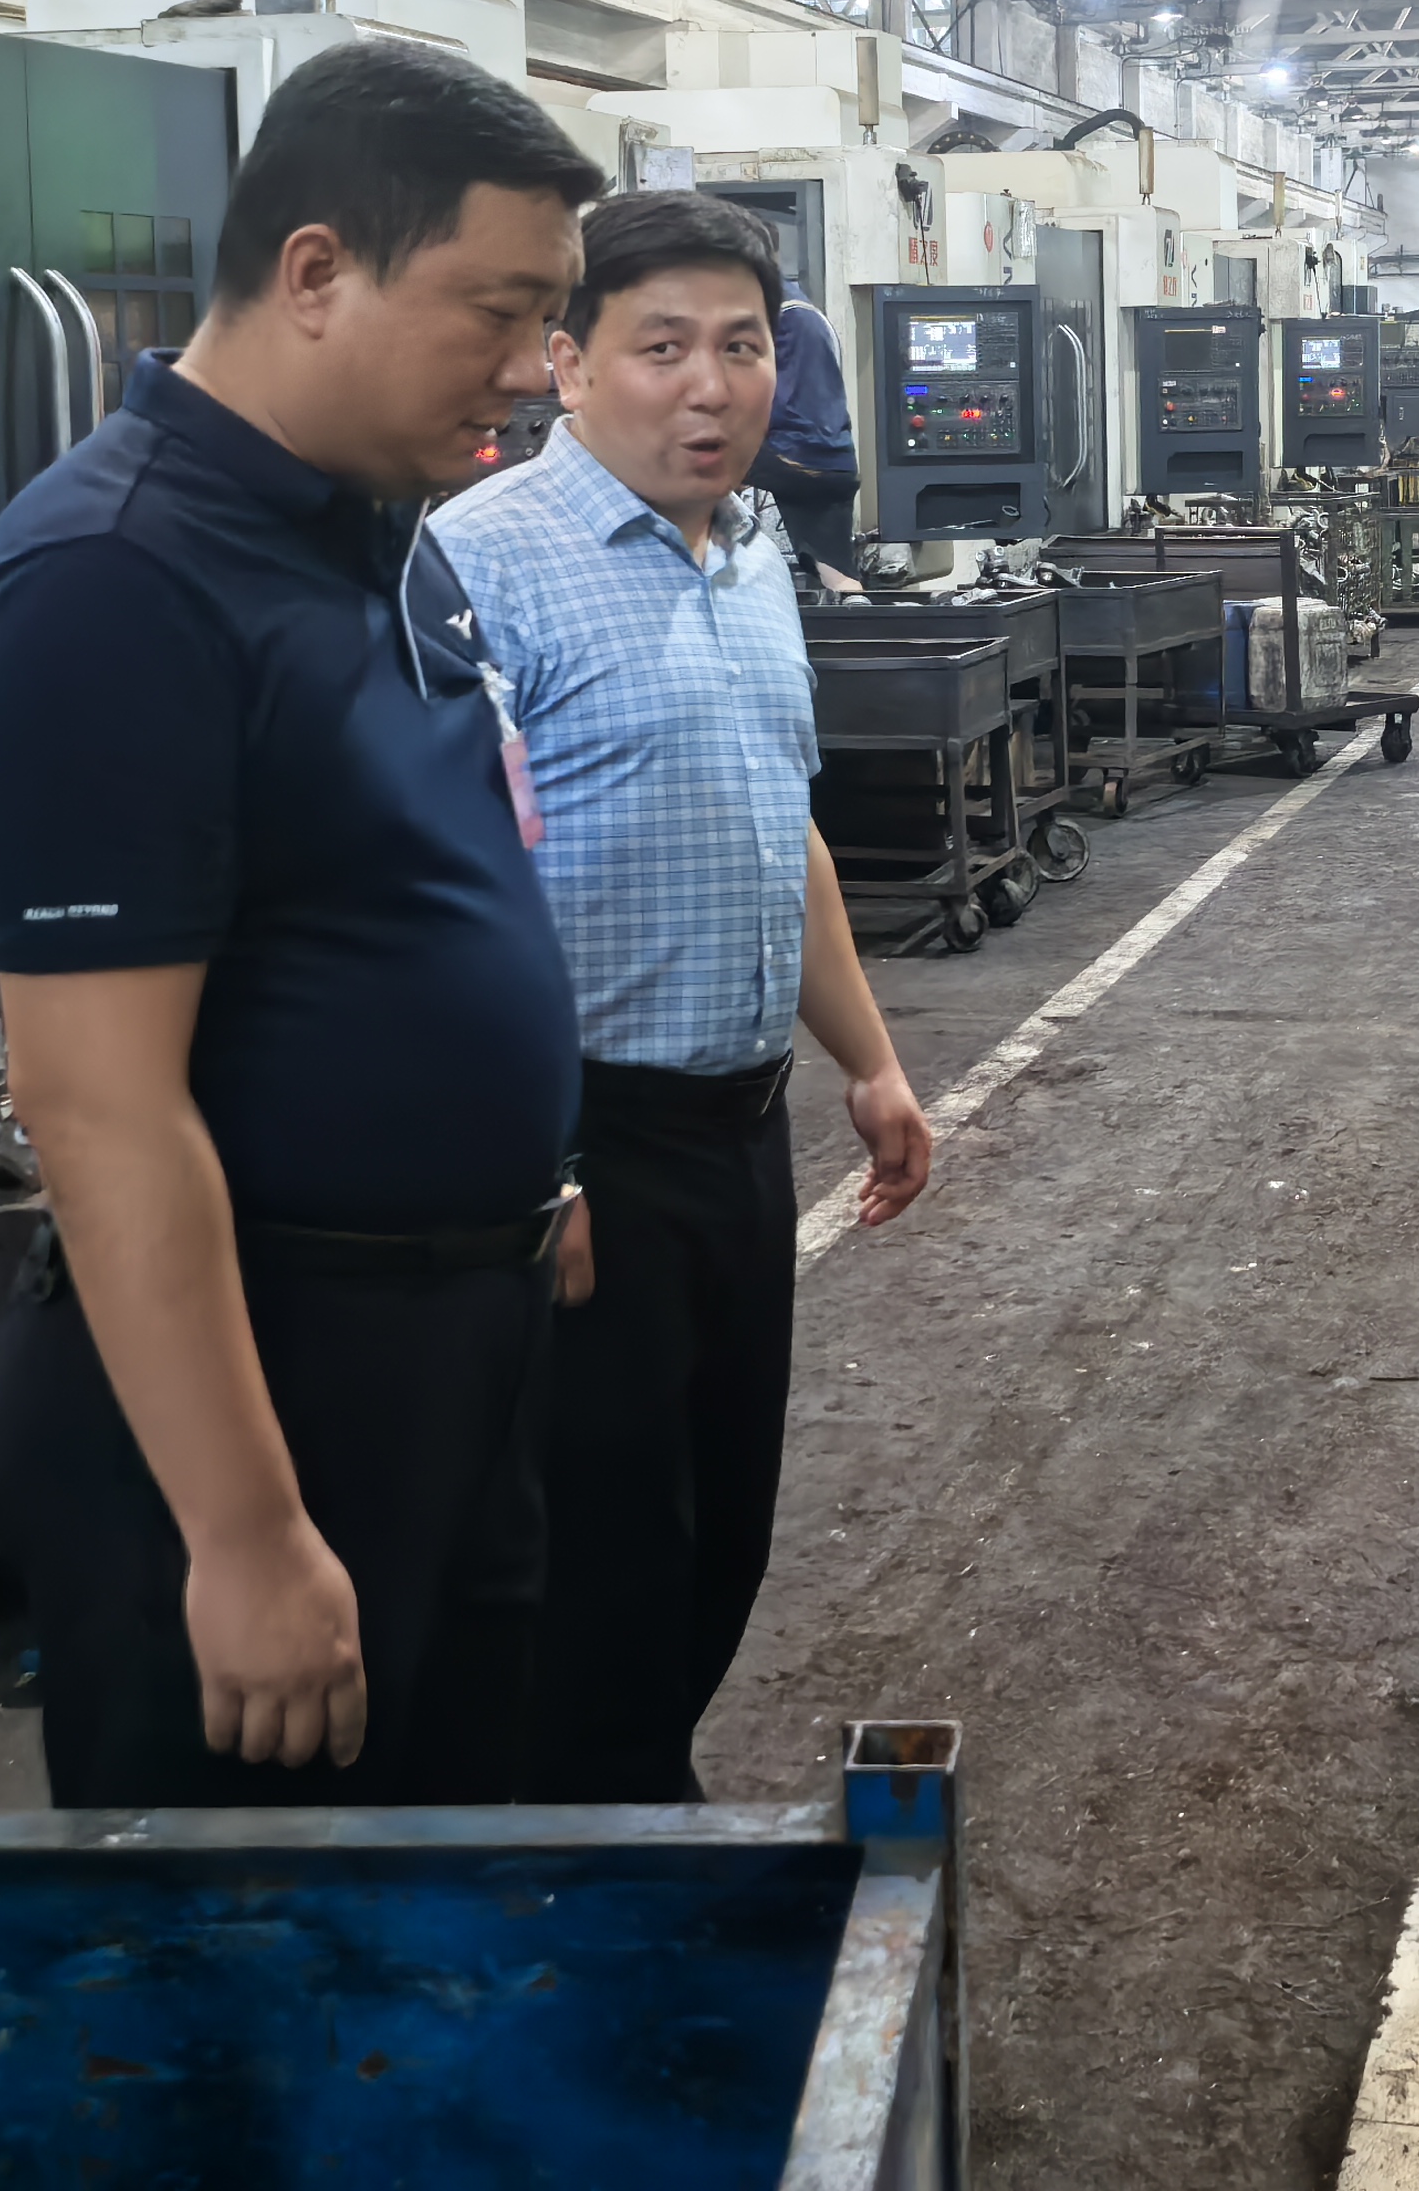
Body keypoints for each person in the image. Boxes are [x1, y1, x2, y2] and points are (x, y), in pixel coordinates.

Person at [0, 40, 606, 1808]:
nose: (532, 373)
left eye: (550, 321)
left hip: (449, 1347)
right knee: (256, 1917)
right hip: (274, 1382)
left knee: (458, 1865)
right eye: (499, 313)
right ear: (317, 271)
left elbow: (405, 885)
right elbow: (96, 1102)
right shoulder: (114, 585)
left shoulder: (376, 535)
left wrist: (526, 1176)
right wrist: (241, 1534)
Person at [429, 190, 937, 1805]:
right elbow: (443, 897)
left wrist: (867, 1059)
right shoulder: (478, 563)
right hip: (582, 1145)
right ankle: (598, 1861)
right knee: (594, 1563)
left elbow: (778, 819)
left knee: (722, 1528)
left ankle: (640, 1800)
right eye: (662, 347)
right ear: (568, 363)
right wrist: (533, 1158)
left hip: (738, 1132)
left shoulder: (755, 548)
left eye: (742, 345)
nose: (711, 386)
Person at [749, 271, 865, 588]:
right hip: (836, 461)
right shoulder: (809, 314)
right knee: (838, 575)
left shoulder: (779, 316)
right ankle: (852, 604)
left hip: (798, 454)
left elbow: (766, 401)